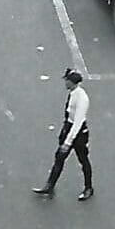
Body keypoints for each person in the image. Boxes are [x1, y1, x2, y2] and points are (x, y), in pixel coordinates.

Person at [32, 69, 93, 200]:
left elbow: (77, 123)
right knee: (59, 158)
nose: (65, 83)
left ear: (72, 82)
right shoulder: (73, 93)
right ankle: (50, 185)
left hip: (78, 133)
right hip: (69, 128)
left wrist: (67, 142)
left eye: (67, 81)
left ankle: (88, 188)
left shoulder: (82, 99)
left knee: (83, 160)